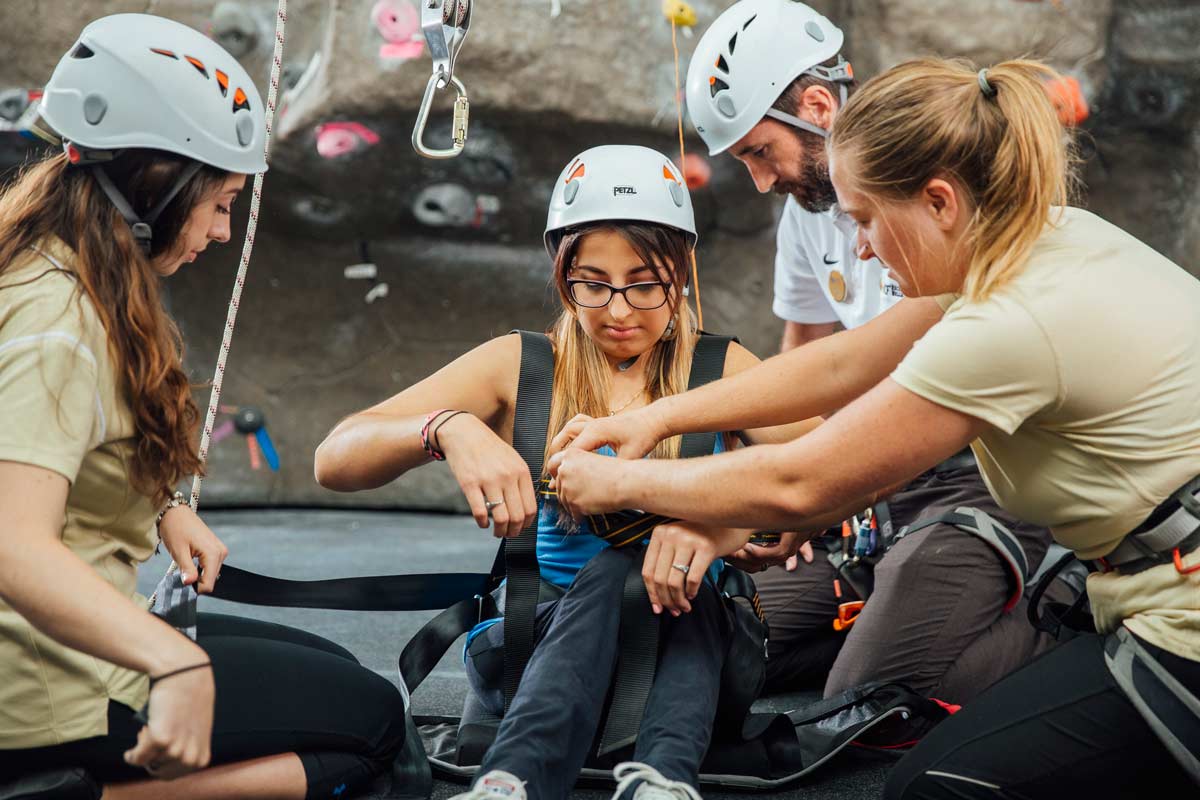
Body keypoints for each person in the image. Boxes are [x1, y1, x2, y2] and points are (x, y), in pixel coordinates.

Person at [550, 56, 1200, 796]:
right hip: (1142, 580)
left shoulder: (1009, 322)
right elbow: (837, 367)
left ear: (938, 203)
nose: (859, 247)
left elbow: (804, 481)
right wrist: (654, 417)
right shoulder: (1040, 235)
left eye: (864, 221)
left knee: (932, 784)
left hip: (1181, 621)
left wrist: (619, 478)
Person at [314, 144, 817, 800]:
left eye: (644, 283)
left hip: (688, 652)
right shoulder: (521, 366)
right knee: (617, 568)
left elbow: (831, 469)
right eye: (593, 283)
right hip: (543, 647)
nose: (617, 310)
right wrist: (447, 427)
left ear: (682, 272)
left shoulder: (722, 370)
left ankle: (577, 778)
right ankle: (555, 781)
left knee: (649, 572)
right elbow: (335, 457)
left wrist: (726, 528)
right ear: (562, 275)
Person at [0, 15, 405, 800]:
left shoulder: (58, 266)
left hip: (55, 647)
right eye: (220, 201)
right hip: (42, 682)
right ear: (157, 179)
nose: (224, 230)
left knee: (339, 672)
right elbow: (12, 543)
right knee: (375, 725)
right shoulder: (57, 321)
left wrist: (161, 510)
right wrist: (174, 662)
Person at [672, 0, 1060, 701]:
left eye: (761, 152)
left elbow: (865, 374)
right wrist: (794, 494)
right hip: (872, 481)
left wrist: (809, 490)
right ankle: (901, 618)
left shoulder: (933, 197)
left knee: (870, 698)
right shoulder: (804, 212)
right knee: (723, 642)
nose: (761, 180)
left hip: (972, 473)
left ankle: (1064, 622)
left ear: (818, 106)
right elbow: (805, 360)